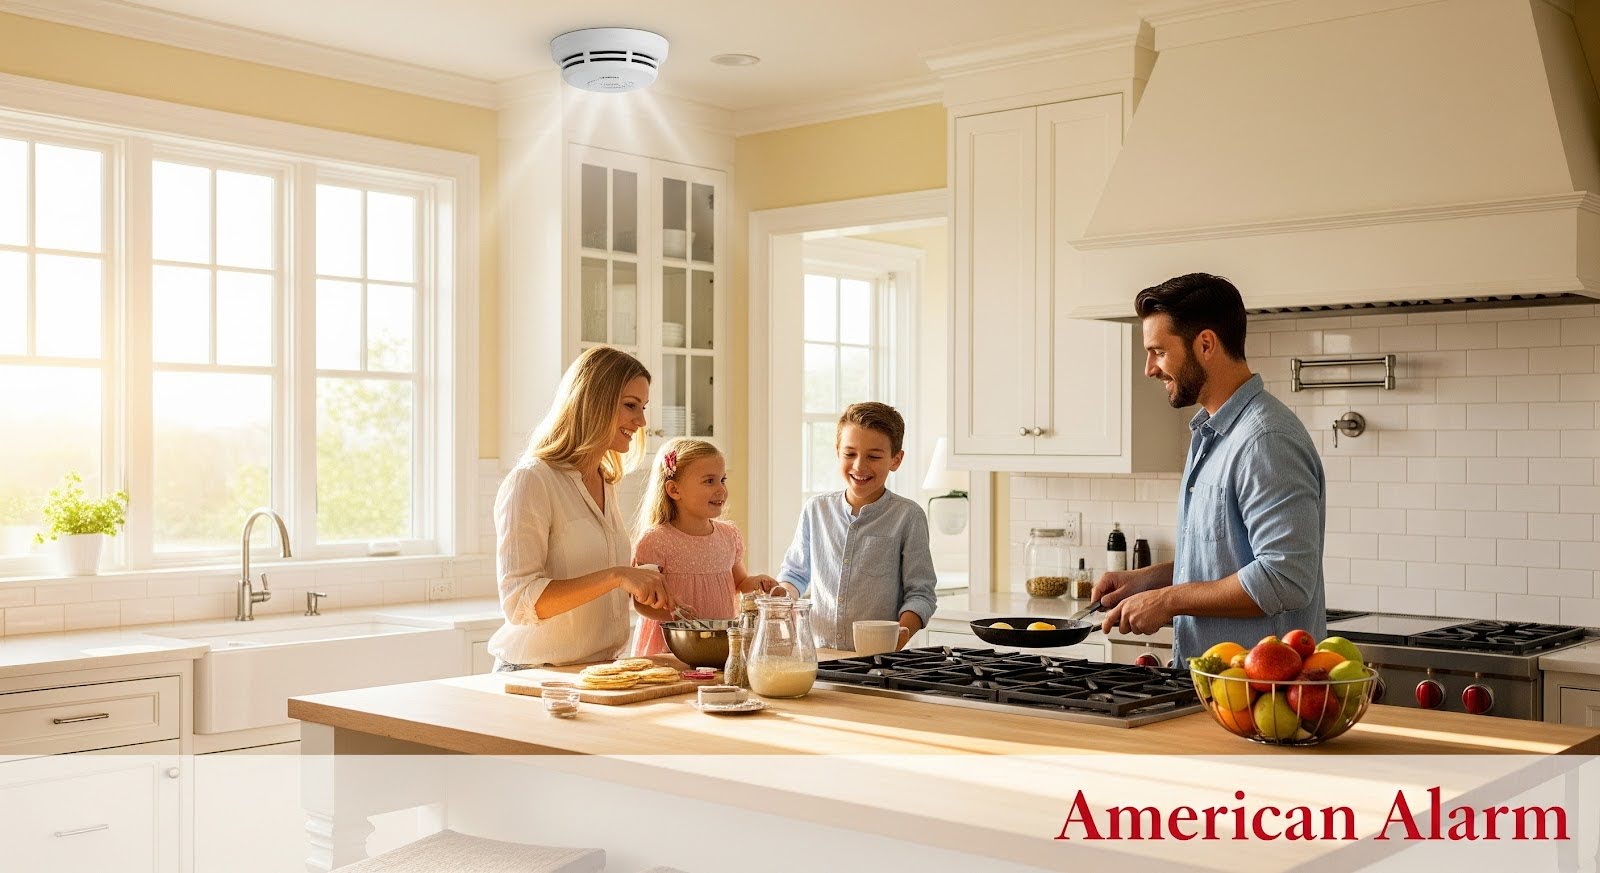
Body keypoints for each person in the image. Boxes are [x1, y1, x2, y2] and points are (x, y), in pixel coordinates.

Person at [1092, 273, 1327, 663]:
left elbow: (1284, 579)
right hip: (1214, 688)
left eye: (1159, 352)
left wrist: (1168, 601)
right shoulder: (1213, 433)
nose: (1149, 369)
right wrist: (1146, 581)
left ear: (1205, 344)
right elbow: (1227, 557)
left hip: (1260, 696)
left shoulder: (1265, 440)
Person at [487, 346, 674, 669]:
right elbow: (519, 602)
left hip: (594, 669)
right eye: (631, 406)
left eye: (643, 407)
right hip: (534, 673)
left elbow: (592, 581)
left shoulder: (604, 479)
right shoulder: (532, 481)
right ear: (593, 403)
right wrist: (617, 576)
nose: (641, 421)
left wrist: (640, 587)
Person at [776, 402, 938, 652]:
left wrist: (899, 636)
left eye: (873, 456)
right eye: (850, 454)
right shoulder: (815, 510)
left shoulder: (908, 517)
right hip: (819, 655)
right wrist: (782, 597)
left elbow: (921, 594)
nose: (859, 466)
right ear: (837, 451)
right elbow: (795, 575)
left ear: (896, 459)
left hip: (879, 659)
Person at [627, 438, 782, 657]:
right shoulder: (656, 541)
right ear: (674, 490)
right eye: (709, 481)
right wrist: (673, 613)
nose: (721, 489)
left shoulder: (728, 535)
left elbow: (740, 583)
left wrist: (757, 582)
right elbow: (641, 604)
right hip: (671, 648)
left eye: (722, 480)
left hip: (718, 646)